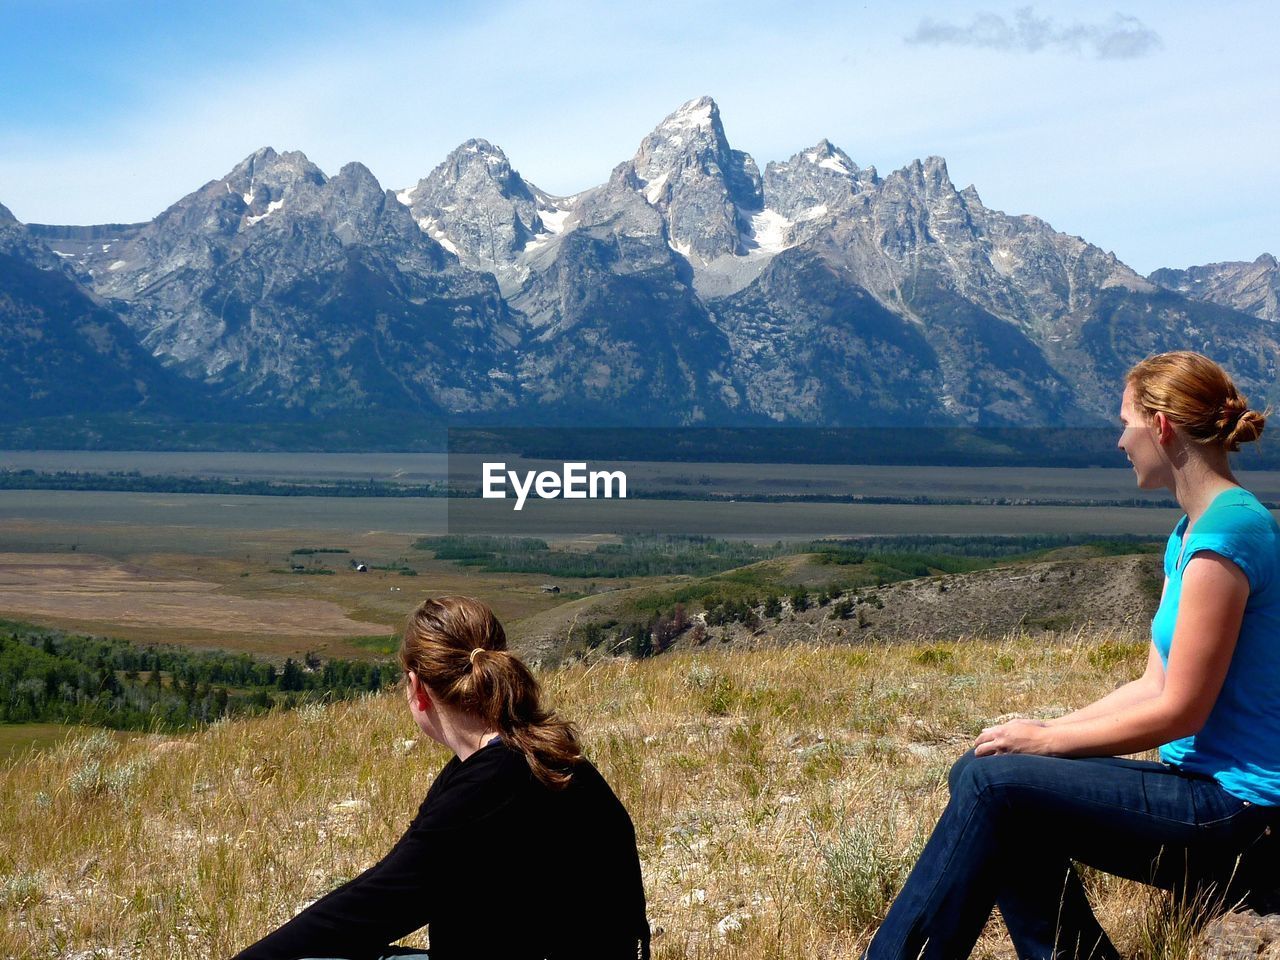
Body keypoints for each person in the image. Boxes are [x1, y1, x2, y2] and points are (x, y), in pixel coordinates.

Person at [866, 351, 1280, 960]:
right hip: (1200, 786)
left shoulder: (1229, 534)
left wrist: (1049, 746)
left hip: (1236, 811)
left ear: (1161, 428)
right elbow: (1152, 683)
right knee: (979, 769)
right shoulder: (1189, 532)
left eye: (1126, 423)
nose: (1119, 442)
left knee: (991, 787)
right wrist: (1041, 730)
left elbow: (1182, 712)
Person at [232, 595, 650, 960]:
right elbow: (394, 884)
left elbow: (375, 904)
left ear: (416, 686)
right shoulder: (539, 755)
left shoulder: (492, 784)